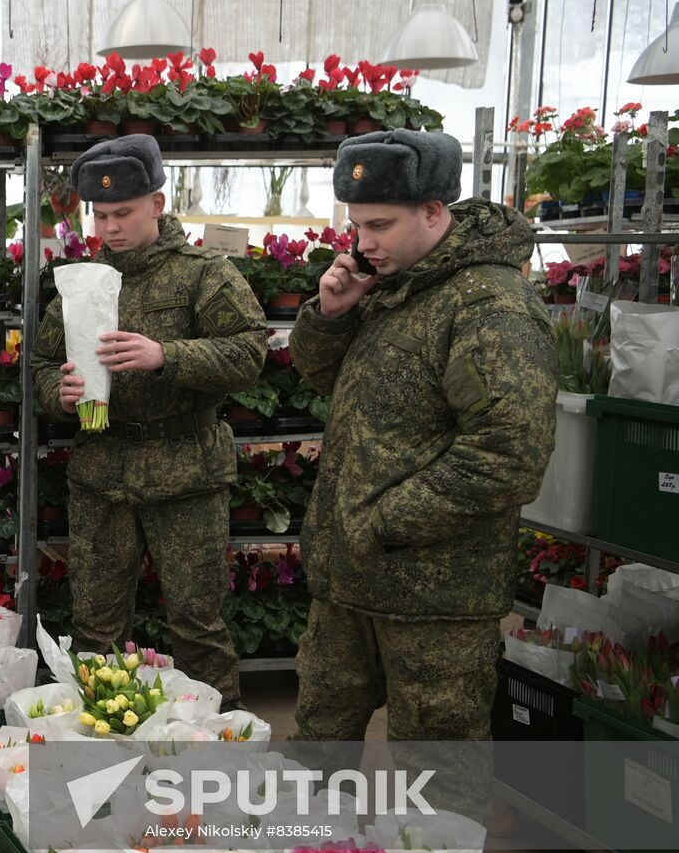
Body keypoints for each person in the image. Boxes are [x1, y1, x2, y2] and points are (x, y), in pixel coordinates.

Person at [289, 129, 558, 747]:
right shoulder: (397, 283)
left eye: (379, 225)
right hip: (350, 583)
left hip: (436, 597)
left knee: (434, 780)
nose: (363, 243)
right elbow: (324, 376)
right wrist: (333, 314)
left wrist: (380, 522)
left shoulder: (489, 305)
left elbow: (508, 453)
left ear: (435, 212)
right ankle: (312, 847)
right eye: (357, 226)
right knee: (315, 751)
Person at [32, 135, 267, 706]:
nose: (110, 228)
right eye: (101, 215)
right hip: (101, 475)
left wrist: (169, 355)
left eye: (124, 213)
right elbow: (40, 362)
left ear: (157, 206)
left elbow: (250, 352)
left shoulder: (202, 274)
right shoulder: (79, 282)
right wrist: (56, 392)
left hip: (184, 475)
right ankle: (96, 751)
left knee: (198, 628)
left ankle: (219, 753)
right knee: (94, 629)